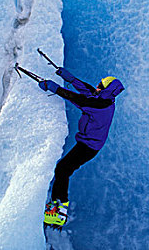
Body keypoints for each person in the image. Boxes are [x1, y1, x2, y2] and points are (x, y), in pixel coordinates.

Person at [40, 67, 124, 228]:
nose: (97, 86)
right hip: (88, 143)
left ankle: (59, 210)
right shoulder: (104, 99)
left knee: (63, 169)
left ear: (106, 89)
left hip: (88, 146)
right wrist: (70, 78)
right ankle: (57, 206)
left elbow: (78, 99)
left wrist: (55, 88)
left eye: (100, 85)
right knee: (63, 169)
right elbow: (87, 90)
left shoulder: (99, 105)